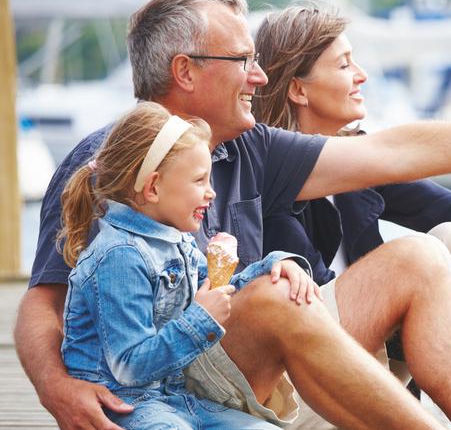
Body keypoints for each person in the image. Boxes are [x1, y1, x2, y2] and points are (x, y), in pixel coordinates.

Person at [14, 0, 451, 430]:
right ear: (185, 72)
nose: (258, 76)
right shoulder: (110, 162)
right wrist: (57, 388)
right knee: (270, 289)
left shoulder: (251, 148)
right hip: (169, 386)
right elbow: (42, 300)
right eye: (242, 60)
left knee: (423, 256)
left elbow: (399, 153)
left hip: (246, 363)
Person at [252, 1, 451, 408]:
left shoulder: (357, 161)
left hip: (377, 354)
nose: (362, 76)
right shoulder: (269, 177)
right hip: (312, 375)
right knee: (421, 261)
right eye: (344, 66)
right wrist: (449, 322)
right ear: (298, 89)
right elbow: (319, 302)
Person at [58, 102, 319, 429]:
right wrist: (200, 319)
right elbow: (128, 367)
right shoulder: (119, 256)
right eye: (199, 181)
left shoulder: (174, 241)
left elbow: (222, 288)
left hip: (175, 397)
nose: (211, 193)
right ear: (152, 187)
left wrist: (274, 266)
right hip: (124, 405)